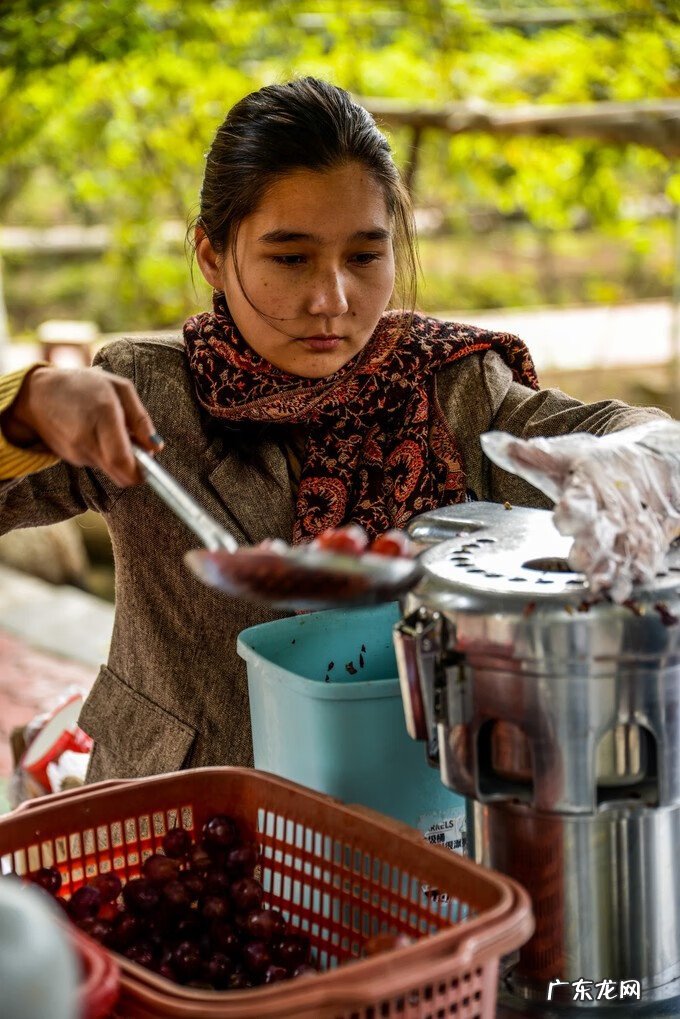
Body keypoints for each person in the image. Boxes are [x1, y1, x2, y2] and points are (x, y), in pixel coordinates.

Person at [0, 77, 666, 784]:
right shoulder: (148, 396)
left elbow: (619, 432)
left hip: (404, 805)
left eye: (364, 257)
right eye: (290, 258)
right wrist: (29, 403)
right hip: (190, 814)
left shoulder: (454, 386)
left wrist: (640, 461)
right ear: (212, 257)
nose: (332, 300)